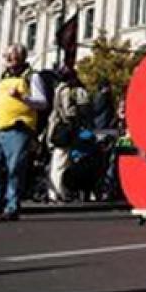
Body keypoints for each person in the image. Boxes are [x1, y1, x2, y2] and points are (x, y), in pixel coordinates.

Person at [0, 44, 49, 221]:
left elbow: (42, 102)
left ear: (21, 57)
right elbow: (0, 102)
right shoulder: (3, 76)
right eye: (6, 56)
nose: (6, 59)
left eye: (10, 56)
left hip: (19, 127)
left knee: (15, 168)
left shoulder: (32, 77)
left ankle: (11, 207)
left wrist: (22, 97)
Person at [46, 63, 91, 202]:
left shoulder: (58, 88)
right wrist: (76, 114)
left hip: (57, 127)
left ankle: (55, 191)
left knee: (58, 160)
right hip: (64, 129)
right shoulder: (66, 90)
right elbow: (68, 111)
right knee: (61, 161)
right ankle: (58, 192)